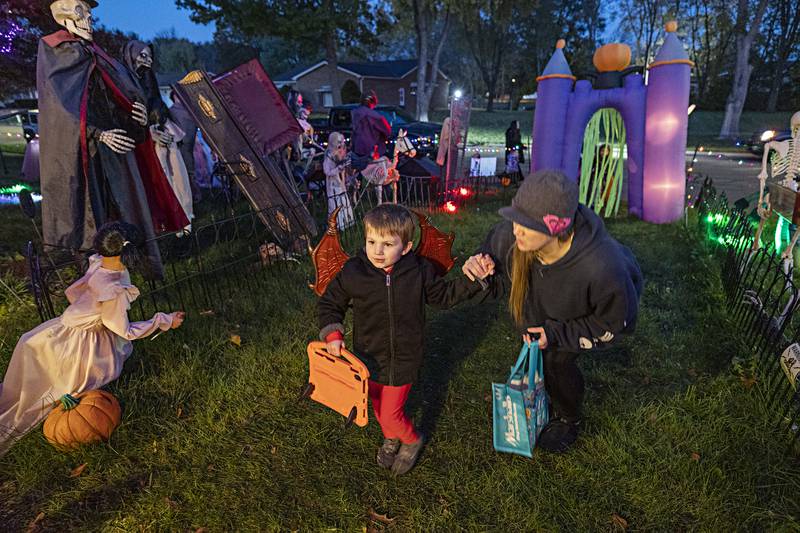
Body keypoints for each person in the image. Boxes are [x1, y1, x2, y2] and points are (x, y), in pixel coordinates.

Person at [462, 170, 643, 453]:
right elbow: (495, 272)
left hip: (572, 321)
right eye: (515, 219)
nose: (515, 230)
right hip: (536, 317)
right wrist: (480, 269)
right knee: (542, 363)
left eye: (526, 225)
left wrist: (557, 334)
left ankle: (569, 417)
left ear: (557, 227)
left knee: (558, 365)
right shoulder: (509, 239)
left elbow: (613, 324)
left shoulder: (603, 267)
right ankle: (540, 395)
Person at [318, 204, 489, 475]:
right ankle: (391, 436)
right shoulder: (354, 272)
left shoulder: (419, 270)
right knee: (377, 405)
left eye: (388, 244)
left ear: (406, 247)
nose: (377, 251)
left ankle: (411, 439)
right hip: (368, 355)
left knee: (391, 412)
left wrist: (472, 282)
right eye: (371, 241)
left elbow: (442, 297)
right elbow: (330, 303)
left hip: (406, 356)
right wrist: (333, 334)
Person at [0, 222, 185, 455]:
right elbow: (123, 331)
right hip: (78, 343)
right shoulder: (113, 290)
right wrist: (163, 320)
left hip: (61, 328)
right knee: (62, 384)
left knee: (30, 366)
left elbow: (73, 291)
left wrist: (85, 311)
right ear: (128, 250)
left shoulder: (99, 263)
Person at [350, 90, 391, 159]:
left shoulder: (355, 113)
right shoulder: (375, 116)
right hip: (373, 152)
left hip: (357, 150)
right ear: (372, 101)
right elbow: (387, 131)